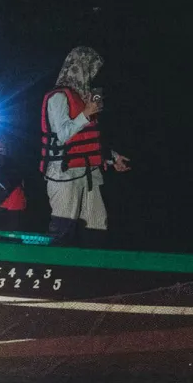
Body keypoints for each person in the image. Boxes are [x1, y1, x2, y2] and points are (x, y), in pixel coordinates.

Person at [39, 46, 131, 246]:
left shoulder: (84, 98)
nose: (94, 74)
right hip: (64, 173)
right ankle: (57, 269)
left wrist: (112, 157)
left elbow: (89, 139)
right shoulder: (58, 97)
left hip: (89, 173)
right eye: (91, 69)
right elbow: (63, 135)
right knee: (64, 227)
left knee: (97, 225)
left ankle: (93, 272)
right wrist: (86, 113)